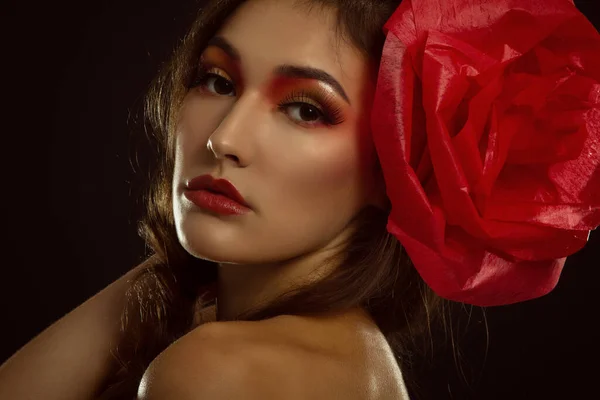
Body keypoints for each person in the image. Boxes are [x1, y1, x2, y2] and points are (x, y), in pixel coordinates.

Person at [1, 0, 599, 399]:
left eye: (306, 109)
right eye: (218, 81)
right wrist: (176, 270)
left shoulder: (218, 372)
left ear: (400, 170)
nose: (223, 138)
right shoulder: (354, 363)